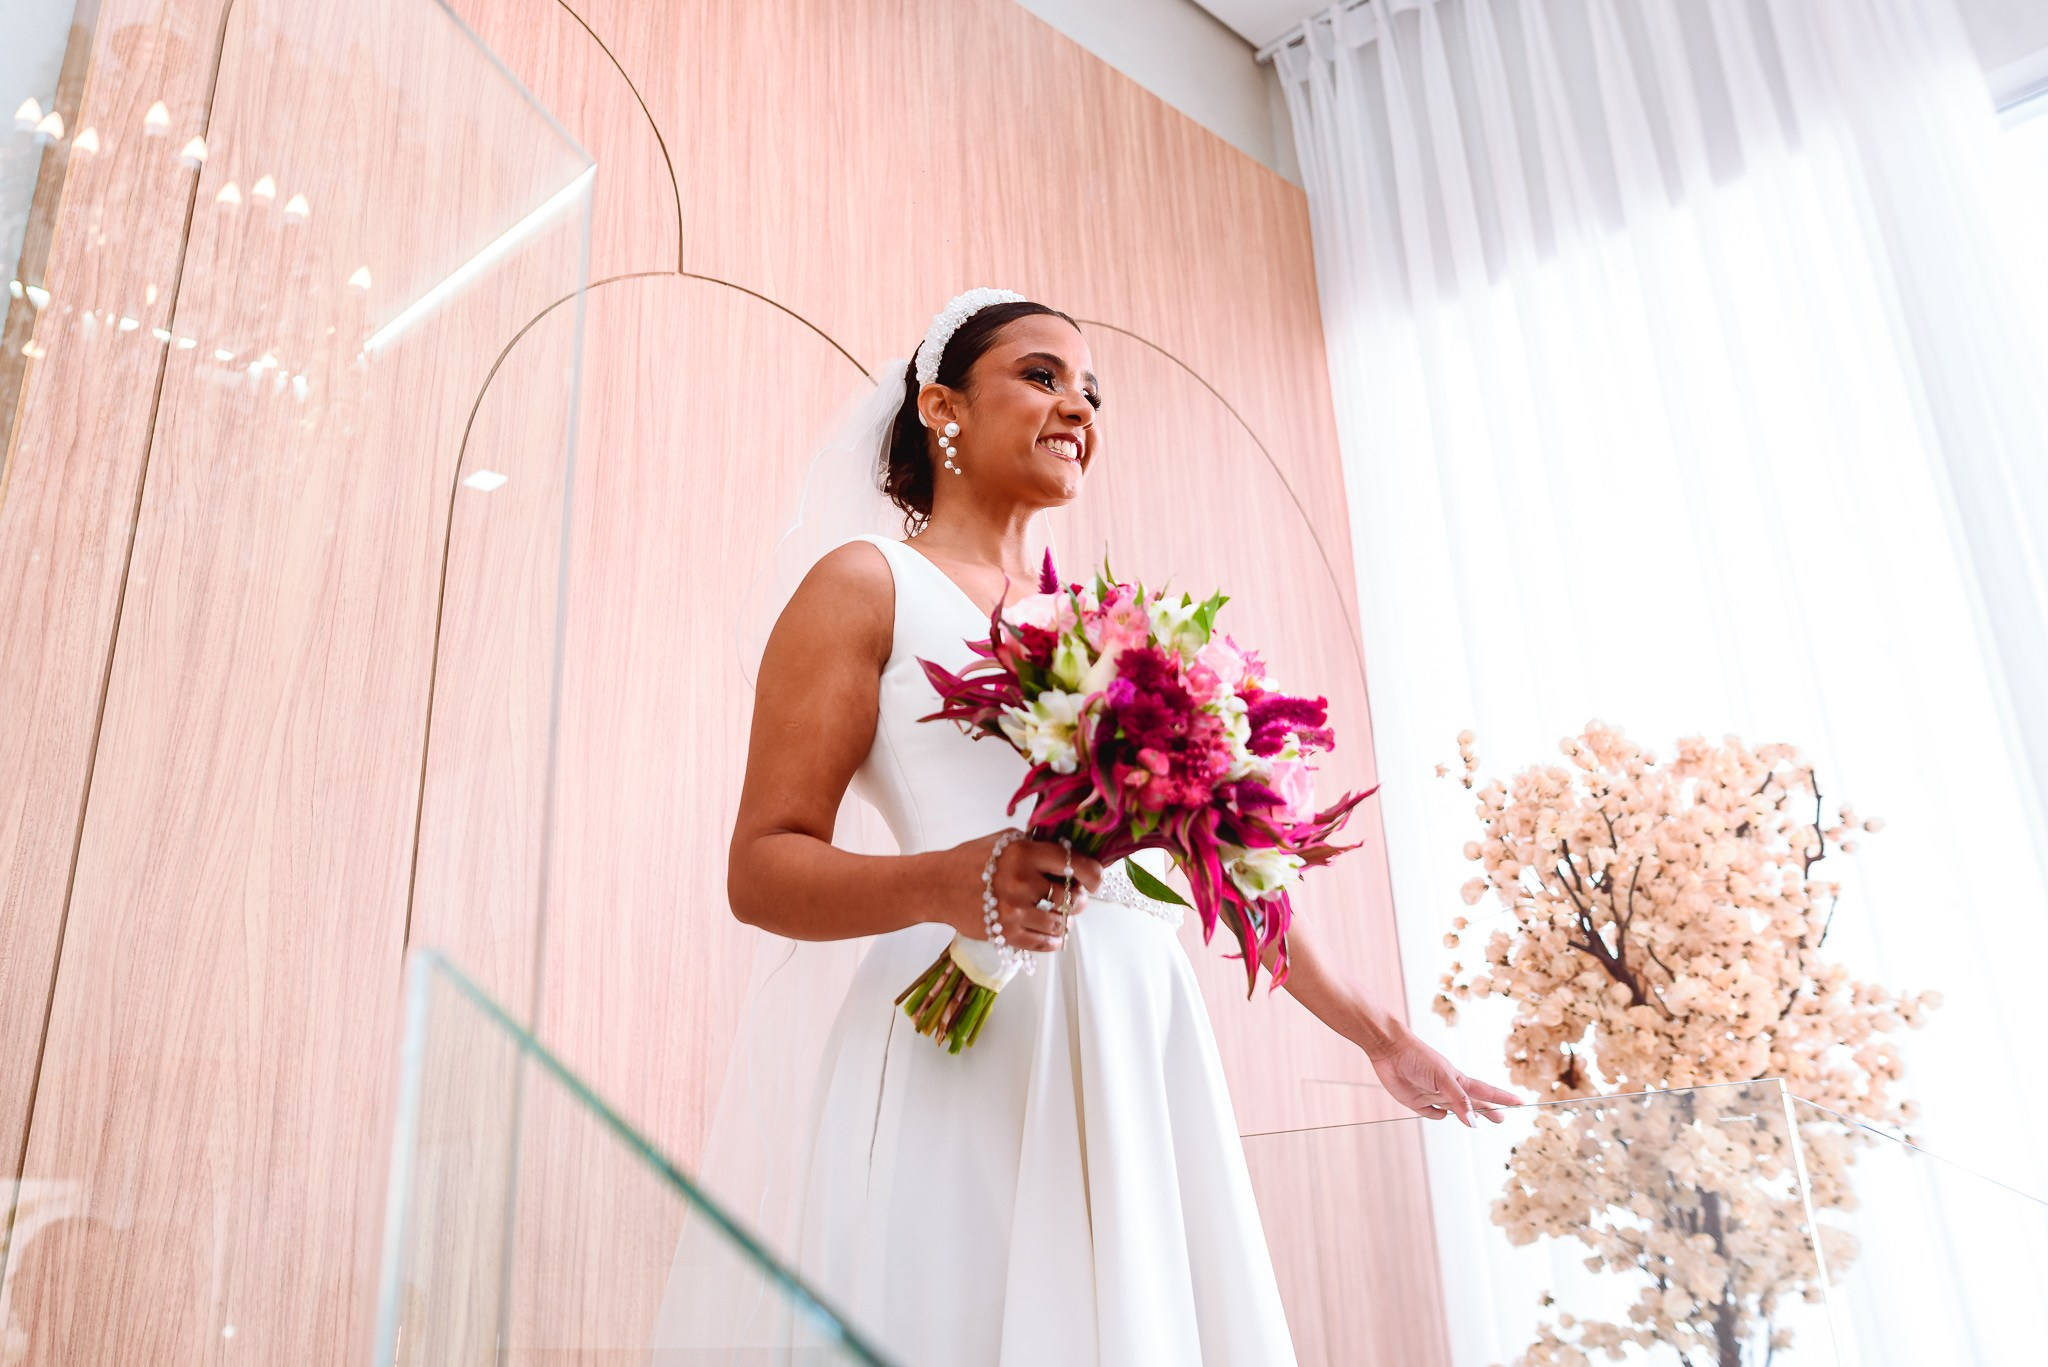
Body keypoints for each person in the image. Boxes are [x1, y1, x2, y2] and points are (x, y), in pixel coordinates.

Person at [651, 288, 1518, 1365]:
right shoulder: (865, 583)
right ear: (940, 407)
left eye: (1092, 390)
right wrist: (949, 882)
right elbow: (762, 866)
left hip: (1133, 1024)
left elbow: (1222, 864)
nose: (1079, 408)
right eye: (1042, 374)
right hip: (961, 1033)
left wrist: (1380, 1034)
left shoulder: (1110, 625)